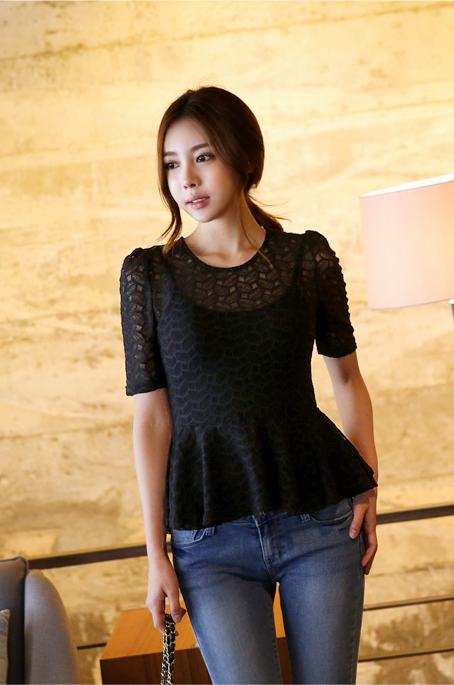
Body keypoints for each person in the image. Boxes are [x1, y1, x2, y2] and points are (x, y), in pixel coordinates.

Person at [120, 85, 378, 685]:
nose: (186, 179)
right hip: (208, 540)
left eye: (204, 156)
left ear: (245, 159)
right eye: (172, 164)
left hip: (320, 523)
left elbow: (347, 379)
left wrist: (368, 483)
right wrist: (156, 553)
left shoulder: (308, 259)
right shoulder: (148, 276)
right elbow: (152, 419)